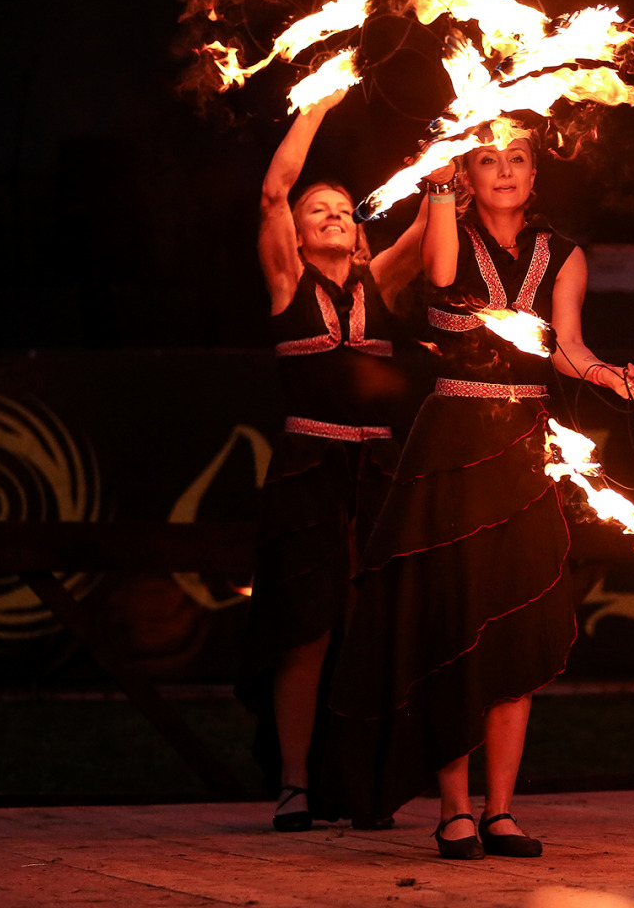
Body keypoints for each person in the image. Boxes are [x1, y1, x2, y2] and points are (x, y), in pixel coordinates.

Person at [329, 125, 634, 858]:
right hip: (452, 444)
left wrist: (612, 377)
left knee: (518, 618)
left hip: (523, 450)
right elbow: (441, 277)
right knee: (451, 622)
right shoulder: (449, 230)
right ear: (468, 175)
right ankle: (454, 810)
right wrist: (440, 185)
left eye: (516, 160)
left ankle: (501, 809)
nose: (503, 171)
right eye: (488, 160)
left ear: (536, 175)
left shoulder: (564, 255)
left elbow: (568, 349)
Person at [239, 88, 429, 832]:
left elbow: (429, 221)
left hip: (377, 476)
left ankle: (364, 781)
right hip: (308, 471)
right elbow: (272, 190)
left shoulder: (379, 282)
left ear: (357, 233)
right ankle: (293, 782)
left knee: (373, 630)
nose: (330, 215)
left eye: (344, 210)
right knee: (306, 628)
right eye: (318, 209)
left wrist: (464, 138)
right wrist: (317, 104)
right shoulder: (288, 283)